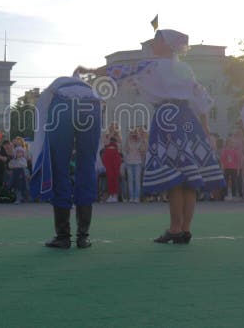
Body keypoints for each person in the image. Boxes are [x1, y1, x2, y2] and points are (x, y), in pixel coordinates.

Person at [104, 29, 225, 244]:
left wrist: (94, 71)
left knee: (175, 178)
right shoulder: (184, 68)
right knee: (190, 178)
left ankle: (175, 228)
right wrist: (204, 129)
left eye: (157, 40)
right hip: (188, 120)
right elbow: (201, 98)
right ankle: (185, 228)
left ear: (166, 45)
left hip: (166, 118)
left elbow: (122, 70)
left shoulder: (153, 66)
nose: (153, 44)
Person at [30, 67, 102, 249]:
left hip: (63, 105)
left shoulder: (55, 86)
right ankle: (83, 237)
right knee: (87, 166)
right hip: (92, 106)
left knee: (58, 166)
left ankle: (63, 236)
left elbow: (42, 115)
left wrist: (39, 155)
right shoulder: (88, 88)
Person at [123, 129, 146, 203]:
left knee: (137, 180)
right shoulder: (128, 141)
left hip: (138, 163)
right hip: (129, 163)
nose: (134, 135)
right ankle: (131, 197)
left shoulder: (140, 141)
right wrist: (128, 138)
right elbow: (125, 149)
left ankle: (137, 197)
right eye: (132, 133)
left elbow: (143, 151)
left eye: (135, 133)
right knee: (130, 180)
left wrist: (141, 139)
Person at [101, 137, 122, 203]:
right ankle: (113, 196)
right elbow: (119, 160)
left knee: (110, 181)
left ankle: (112, 195)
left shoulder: (107, 149)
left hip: (110, 168)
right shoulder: (115, 150)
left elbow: (104, 159)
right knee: (114, 181)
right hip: (114, 168)